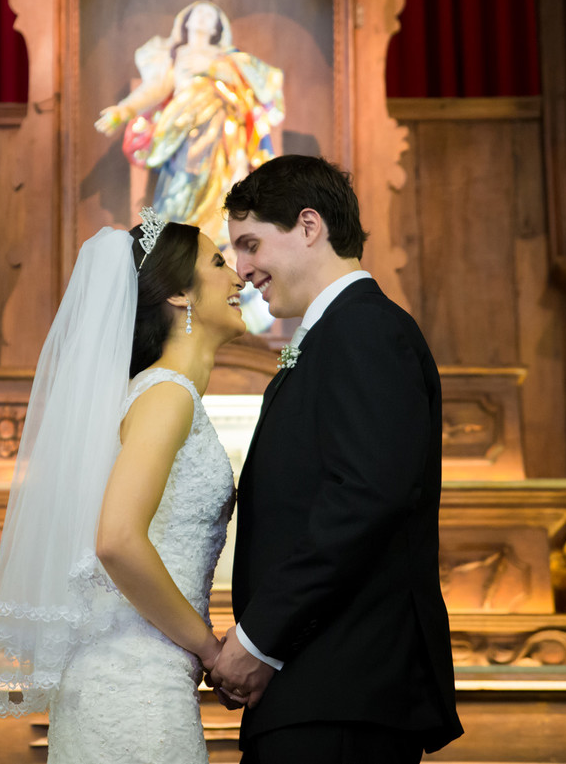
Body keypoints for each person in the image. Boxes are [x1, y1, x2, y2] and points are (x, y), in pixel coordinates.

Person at [208, 156, 464, 763]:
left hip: (344, 691)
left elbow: (366, 498)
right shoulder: (330, 337)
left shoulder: (364, 331)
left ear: (308, 226)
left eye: (250, 244)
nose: (242, 271)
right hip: (318, 690)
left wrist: (259, 641)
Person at [0, 209, 247, 764]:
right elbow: (117, 539)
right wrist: (209, 648)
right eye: (219, 261)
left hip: (130, 679)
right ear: (179, 294)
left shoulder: (149, 393)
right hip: (137, 689)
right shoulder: (166, 395)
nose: (238, 276)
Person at [95, 0, 285, 250]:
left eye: (211, 14)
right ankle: (173, 247)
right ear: (186, 21)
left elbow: (260, 85)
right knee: (182, 186)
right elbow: (154, 90)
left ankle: (220, 247)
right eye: (199, 13)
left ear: (218, 26)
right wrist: (124, 110)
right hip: (185, 134)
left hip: (223, 137)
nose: (205, 17)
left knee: (225, 193)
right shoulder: (176, 55)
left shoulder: (229, 58)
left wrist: (213, 67)